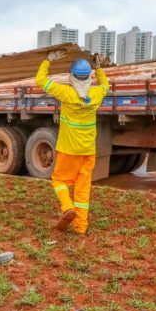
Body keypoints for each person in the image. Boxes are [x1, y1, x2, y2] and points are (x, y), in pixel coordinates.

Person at [35, 51, 108, 235]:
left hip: (68, 150)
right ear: (88, 77)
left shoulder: (66, 93)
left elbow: (40, 81)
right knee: (83, 189)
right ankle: (81, 227)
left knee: (59, 180)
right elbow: (106, 85)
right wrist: (98, 68)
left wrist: (48, 60)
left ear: (72, 76)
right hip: (88, 151)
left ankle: (67, 206)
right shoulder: (97, 94)